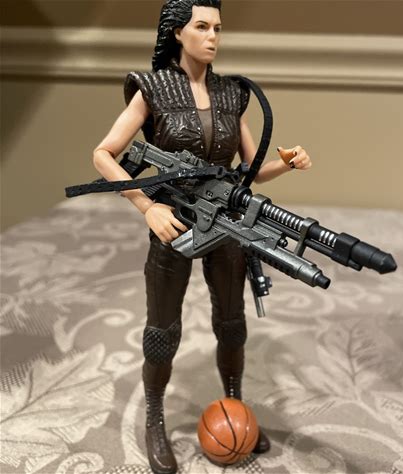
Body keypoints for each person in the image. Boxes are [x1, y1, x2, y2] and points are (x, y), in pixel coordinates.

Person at [92, 1, 312, 472]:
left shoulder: (232, 94)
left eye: (218, 28)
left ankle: (235, 402)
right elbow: (104, 154)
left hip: (226, 222)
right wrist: (148, 206)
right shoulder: (152, 89)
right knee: (163, 329)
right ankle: (154, 417)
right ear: (177, 32)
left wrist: (285, 163)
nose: (212, 36)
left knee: (231, 323)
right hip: (174, 222)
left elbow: (252, 171)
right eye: (202, 26)